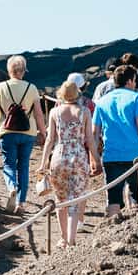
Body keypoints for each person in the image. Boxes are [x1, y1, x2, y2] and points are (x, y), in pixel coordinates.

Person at [38, 80, 101, 248]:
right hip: (79, 157)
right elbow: (90, 139)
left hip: (59, 157)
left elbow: (50, 139)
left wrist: (43, 163)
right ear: (77, 94)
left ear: (61, 95)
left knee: (60, 199)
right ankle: (72, 239)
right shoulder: (85, 112)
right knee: (76, 199)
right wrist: (96, 160)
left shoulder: (54, 112)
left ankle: (63, 238)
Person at [92, 65, 138, 218]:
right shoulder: (136, 98)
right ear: (129, 81)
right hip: (135, 157)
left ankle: (114, 230)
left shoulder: (102, 102)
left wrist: (94, 159)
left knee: (113, 199)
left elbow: (94, 133)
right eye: (134, 80)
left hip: (111, 156)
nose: (135, 84)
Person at [0, 55, 47, 213]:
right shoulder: (32, 88)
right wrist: (43, 133)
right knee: (24, 166)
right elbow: (39, 114)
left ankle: (11, 188)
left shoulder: (0, 87)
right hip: (28, 133)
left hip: (7, 132)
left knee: (9, 164)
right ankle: (20, 203)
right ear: (23, 71)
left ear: (9, 70)